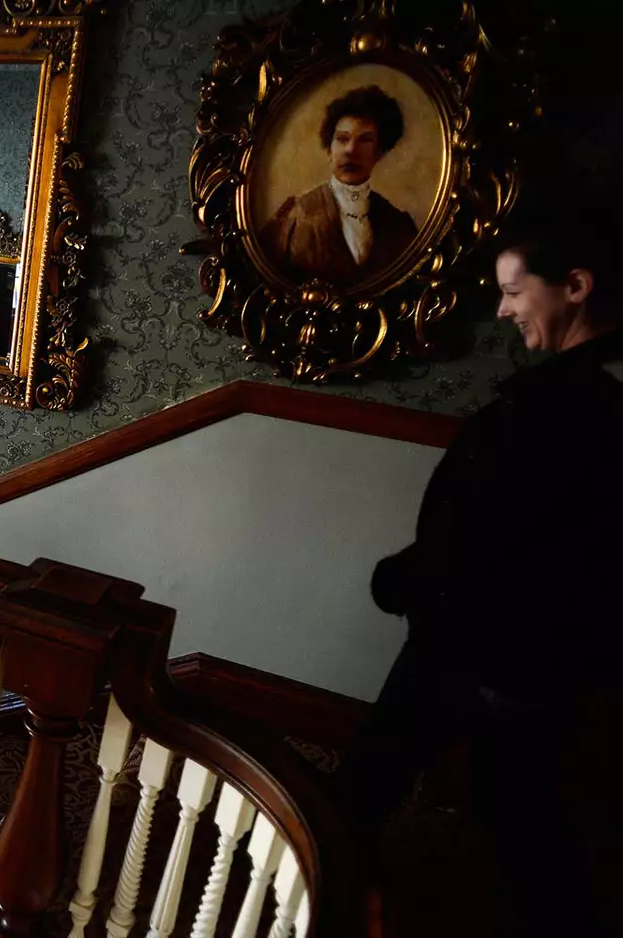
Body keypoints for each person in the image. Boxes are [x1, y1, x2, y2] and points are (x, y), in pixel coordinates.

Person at [340, 210, 623, 935]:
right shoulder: (590, 394)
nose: (501, 309)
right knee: (521, 811)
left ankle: (316, 903)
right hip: (543, 652)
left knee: (366, 791)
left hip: (478, 645)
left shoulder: (562, 407)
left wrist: (399, 581)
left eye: (513, 291)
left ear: (576, 287)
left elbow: (488, 533)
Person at [259, 85, 417, 286]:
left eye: (365, 140)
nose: (351, 150)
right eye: (342, 139)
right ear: (329, 148)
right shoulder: (294, 218)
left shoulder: (399, 226)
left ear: (380, 151)